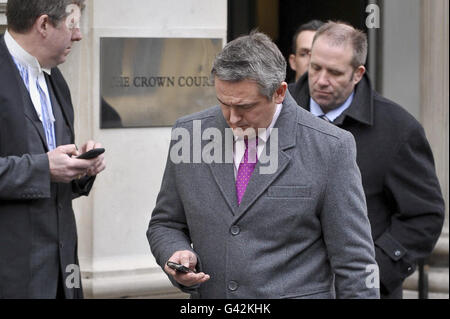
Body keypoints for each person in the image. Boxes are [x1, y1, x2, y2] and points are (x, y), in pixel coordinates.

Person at [147, 31, 379, 299]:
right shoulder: (189, 133)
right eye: (224, 103)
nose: (233, 118)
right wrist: (175, 254)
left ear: (279, 92)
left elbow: (355, 263)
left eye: (246, 107)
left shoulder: (331, 147)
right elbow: (165, 223)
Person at [288, 21, 445, 299]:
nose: (321, 80)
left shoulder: (398, 129)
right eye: (315, 67)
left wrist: (372, 274)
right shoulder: (273, 113)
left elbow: (424, 216)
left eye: (335, 72)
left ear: (358, 74)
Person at [0, 0, 106, 298]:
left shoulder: (55, 79)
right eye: (73, 25)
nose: (79, 36)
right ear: (44, 24)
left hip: (63, 277)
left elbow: (52, 179)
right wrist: (44, 168)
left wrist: (80, 168)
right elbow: (42, 169)